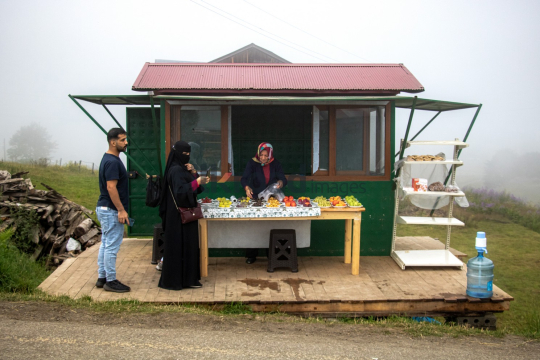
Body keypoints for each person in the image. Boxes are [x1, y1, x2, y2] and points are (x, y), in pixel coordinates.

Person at [158, 141, 210, 290]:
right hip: (178, 217)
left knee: (189, 247)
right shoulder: (175, 170)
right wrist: (197, 181)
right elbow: (180, 192)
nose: (187, 157)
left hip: (186, 215)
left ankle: (189, 279)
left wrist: (194, 174)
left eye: (189, 154)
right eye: (184, 154)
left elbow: (198, 189)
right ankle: (176, 281)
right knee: (178, 248)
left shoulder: (182, 169)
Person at [95, 128, 131, 293]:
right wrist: (121, 210)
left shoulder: (108, 159)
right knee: (111, 246)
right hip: (111, 209)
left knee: (106, 243)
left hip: (104, 207)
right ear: (113, 142)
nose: (126, 143)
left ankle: (102, 277)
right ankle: (111, 280)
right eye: (123, 140)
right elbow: (111, 187)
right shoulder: (113, 162)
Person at [241, 142, 287, 264]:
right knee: (254, 227)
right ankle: (251, 255)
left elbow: (283, 178)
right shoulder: (252, 163)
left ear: (270, 155)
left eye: (266, 155)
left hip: (271, 199)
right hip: (256, 198)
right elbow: (244, 178)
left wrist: (280, 183)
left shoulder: (275, 163)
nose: (263, 158)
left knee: (270, 226)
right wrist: (247, 188)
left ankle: (271, 254)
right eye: (261, 155)